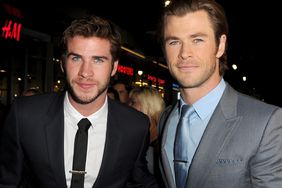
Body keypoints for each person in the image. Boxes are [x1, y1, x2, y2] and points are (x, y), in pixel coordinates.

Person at [0, 15, 158, 188]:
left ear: (114, 67)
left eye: (98, 60)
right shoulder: (24, 115)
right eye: (76, 58)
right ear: (62, 63)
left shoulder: (135, 126)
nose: (85, 72)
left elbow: (139, 182)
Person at [157, 0, 282, 188]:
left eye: (197, 40)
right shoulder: (166, 118)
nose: (184, 53)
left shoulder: (266, 123)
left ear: (220, 45)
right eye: (174, 42)